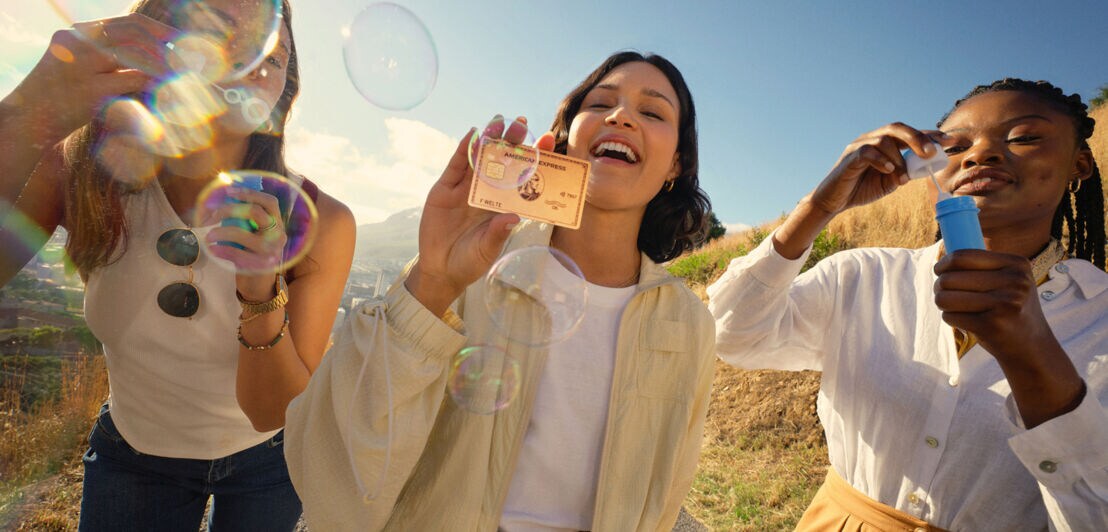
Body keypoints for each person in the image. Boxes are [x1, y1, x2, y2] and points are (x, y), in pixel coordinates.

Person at [284, 51, 716, 530]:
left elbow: (666, 491)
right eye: (600, 104)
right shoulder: (472, 271)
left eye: (652, 112)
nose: (621, 116)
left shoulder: (688, 324)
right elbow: (329, 467)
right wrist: (431, 284)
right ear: (568, 140)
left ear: (676, 162)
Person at [0, 1, 355, 530]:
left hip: (267, 462)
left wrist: (260, 291)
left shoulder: (321, 220)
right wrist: (27, 113)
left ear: (283, 88)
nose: (254, 59)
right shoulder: (79, 172)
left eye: (273, 53)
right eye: (222, 32)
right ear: (157, 45)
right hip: (134, 457)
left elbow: (270, 413)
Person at [708, 78, 1107, 530]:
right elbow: (730, 334)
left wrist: (1033, 355)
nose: (981, 155)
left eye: (1023, 137)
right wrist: (821, 205)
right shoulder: (864, 276)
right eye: (955, 148)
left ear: (1080, 164)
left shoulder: (1100, 317)